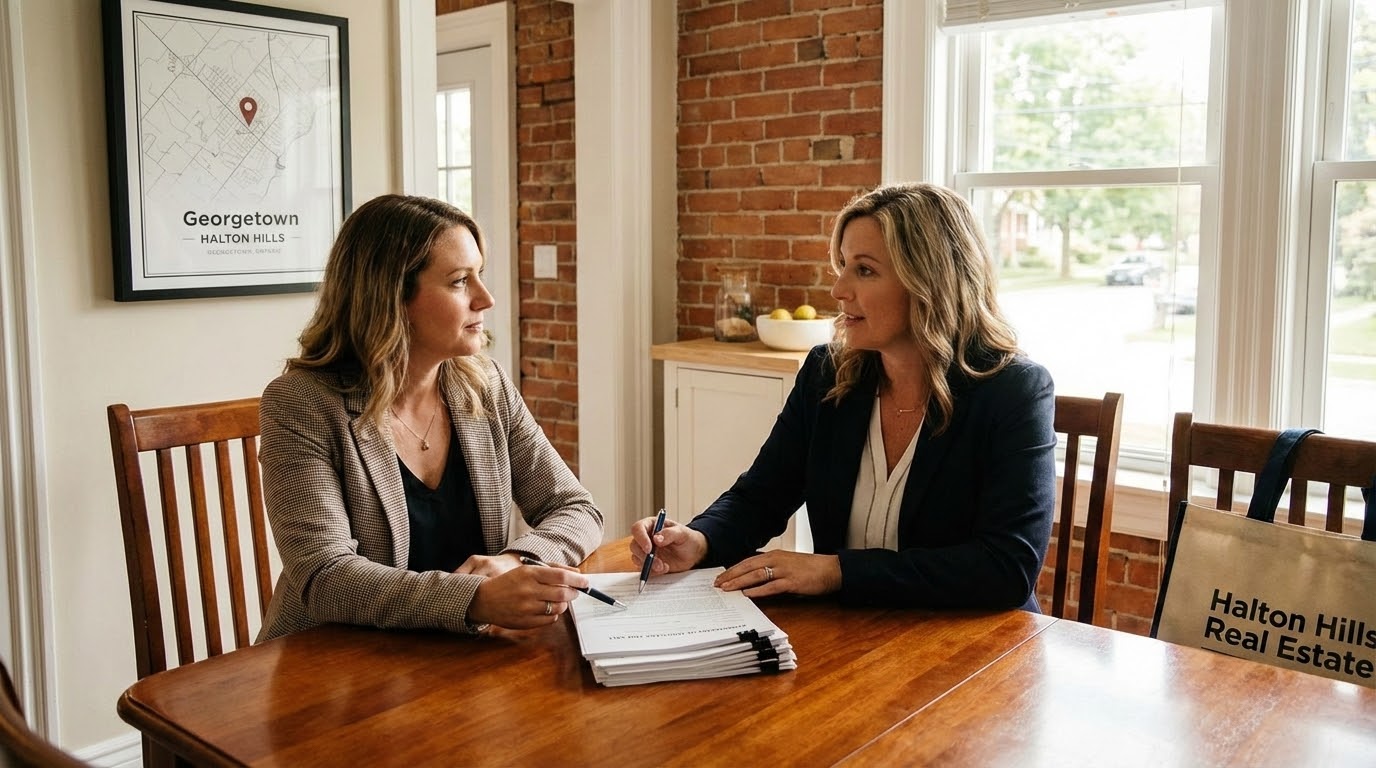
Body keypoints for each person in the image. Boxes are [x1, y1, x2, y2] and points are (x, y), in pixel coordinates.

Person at [631, 182, 1056, 611]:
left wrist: (836, 571)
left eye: (865, 270)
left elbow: (1007, 569)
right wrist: (700, 541)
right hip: (855, 633)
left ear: (931, 282)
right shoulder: (826, 374)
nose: (838, 290)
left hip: (976, 648)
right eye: (842, 266)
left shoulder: (1014, 390)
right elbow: (760, 496)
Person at [256, 194, 603, 642]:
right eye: (460, 281)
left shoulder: (485, 385)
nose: (486, 298)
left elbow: (575, 509)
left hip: (459, 660)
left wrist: (517, 560)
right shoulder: (301, 403)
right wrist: (473, 599)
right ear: (390, 297)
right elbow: (324, 576)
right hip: (336, 664)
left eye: (480, 275)